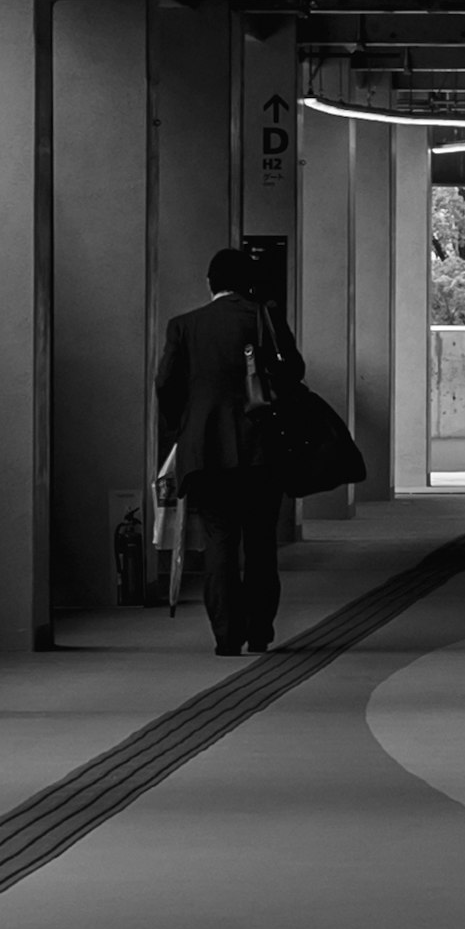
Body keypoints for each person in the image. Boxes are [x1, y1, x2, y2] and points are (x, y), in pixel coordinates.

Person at [153, 247, 317, 657]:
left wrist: (184, 431)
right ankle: (260, 630)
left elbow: (166, 385)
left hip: (206, 453)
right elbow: (293, 371)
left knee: (220, 542)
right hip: (263, 448)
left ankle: (227, 636)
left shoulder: (184, 326)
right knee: (261, 543)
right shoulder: (264, 317)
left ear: (209, 283)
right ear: (247, 283)